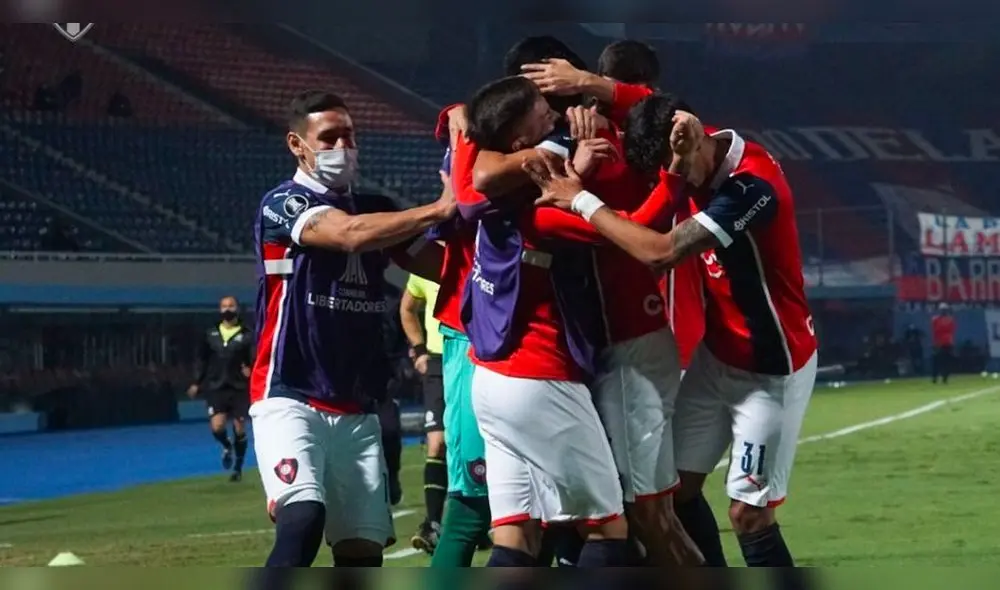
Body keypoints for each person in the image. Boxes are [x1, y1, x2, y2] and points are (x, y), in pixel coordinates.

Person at [524, 93, 819, 567]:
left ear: (697, 138)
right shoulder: (688, 142)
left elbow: (660, 251)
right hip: (716, 358)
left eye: (676, 165)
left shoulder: (751, 187)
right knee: (671, 492)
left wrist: (578, 199)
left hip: (772, 369)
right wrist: (591, 88)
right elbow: (651, 101)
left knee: (748, 514)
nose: (676, 177)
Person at [248, 90, 452, 570]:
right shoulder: (283, 203)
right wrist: (440, 208)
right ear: (298, 145)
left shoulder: (376, 207)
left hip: (357, 405)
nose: (344, 146)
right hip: (289, 393)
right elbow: (347, 234)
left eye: (349, 135)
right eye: (330, 137)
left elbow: (441, 266)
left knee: (361, 552)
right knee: (302, 519)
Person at [400, 267, 448, 554]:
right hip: (439, 364)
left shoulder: (474, 253)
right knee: (437, 442)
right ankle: (432, 525)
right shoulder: (425, 266)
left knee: (479, 444)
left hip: (474, 357)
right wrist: (419, 350)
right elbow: (407, 308)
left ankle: (482, 519)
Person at [187, 295, 253, 482]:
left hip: (239, 387)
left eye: (231, 305)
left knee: (240, 428)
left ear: (237, 308)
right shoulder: (211, 334)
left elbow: (253, 358)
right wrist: (196, 382)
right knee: (217, 427)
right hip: (216, 386)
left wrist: (252, 371)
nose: (227, 309)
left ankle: (238, 469)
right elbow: (202, 360)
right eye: (224, 306)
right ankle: (226, 445)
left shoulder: (247, 334)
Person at [931, 303, 955, 384]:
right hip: (939, 343)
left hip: (947, 343)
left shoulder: (950, 320)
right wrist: (935, 343)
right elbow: (935, 331)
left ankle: (945, 377)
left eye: (945, 310)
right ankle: (935, 377)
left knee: (947, 361)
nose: (943, 311)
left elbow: (951, 331)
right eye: (942, 310)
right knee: (937, 361)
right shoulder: (935, 319)